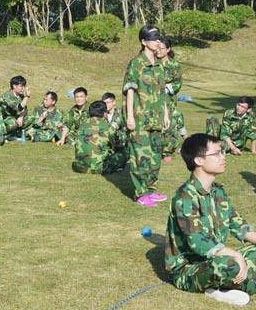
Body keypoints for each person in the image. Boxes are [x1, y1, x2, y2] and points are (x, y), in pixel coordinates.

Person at [165, 133, 256, 306]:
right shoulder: (185, 197)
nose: (223, 157)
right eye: (216, 153)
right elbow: (198, 243)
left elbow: (238, 224)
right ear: (199, 160)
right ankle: (253, 286)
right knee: (229, 265)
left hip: (215, 259)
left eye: (222, 152)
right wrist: (236, 255)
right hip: (188, 269)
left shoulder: (218, 191)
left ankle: (224, 287)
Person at [123, 25, 170, 207]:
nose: (158, 41)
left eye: (159, 38)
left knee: (155, 156)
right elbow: (130, 91)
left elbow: (162, 93)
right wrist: (130, 116)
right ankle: (141, 194)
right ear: (143, 41)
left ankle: (151, 189)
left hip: (156, 118)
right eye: (153, 38)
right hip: (140, 118)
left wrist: (166, 114)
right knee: (140, 156)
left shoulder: (159, 65)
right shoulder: (136, 63)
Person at [72, 101, 127, 174]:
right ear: (104, 114)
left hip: (79, 167)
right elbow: (119, 145)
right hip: (99, 168)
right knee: (124, 153)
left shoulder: (82, 126)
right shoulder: (108, 127)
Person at [157, 37, 187, 161]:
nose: (158, 51)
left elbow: (178, 83)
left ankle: (167, 151)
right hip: (153, 99)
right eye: (157, 48)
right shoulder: (152, 63)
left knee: (169, 123)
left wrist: (166, 87)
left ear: (168, 49)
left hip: (168, 99)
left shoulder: (175, 65)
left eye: (161, 48)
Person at [0, 75, 31, 141]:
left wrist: (21, 117)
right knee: (13, 123)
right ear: (14, 86)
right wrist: (27, 97)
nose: (23, 88)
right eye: (21, 86)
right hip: (3, 119)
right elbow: (19, 108)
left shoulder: (20, 96)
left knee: (31, 118)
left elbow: (25, 109)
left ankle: (16, 132)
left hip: (14, 117)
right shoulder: (7, 96)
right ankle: (5, 135)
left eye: (24, 86)